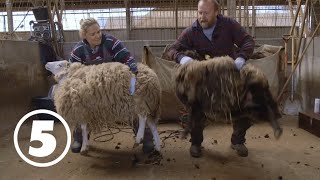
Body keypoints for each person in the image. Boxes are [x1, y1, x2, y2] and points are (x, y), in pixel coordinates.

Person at [165, 0, 254, 158]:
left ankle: (238, 140)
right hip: (204, 81)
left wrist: (240, 58)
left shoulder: (229, 25)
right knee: (195, 107)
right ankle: (196, 143)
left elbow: (247, 41)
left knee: (248, 102)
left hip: (228, 78)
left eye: (206, 13)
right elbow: (172, 49)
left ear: (216, 12)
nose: (202, 17)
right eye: (200, 12)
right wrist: (182, 59)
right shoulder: (193, 30)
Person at [69, 18, 154, 154]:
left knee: (132, 103)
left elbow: (126, 57)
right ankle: (79, 138)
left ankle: (146, 137)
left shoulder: (110, 42)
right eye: (93, 34)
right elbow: (72, 72)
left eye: (99, 31)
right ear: (84, 35)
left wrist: (133, 71)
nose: (98, 35)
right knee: (80, 107)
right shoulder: (78, 51)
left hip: (114, 89)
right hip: (92, 91)